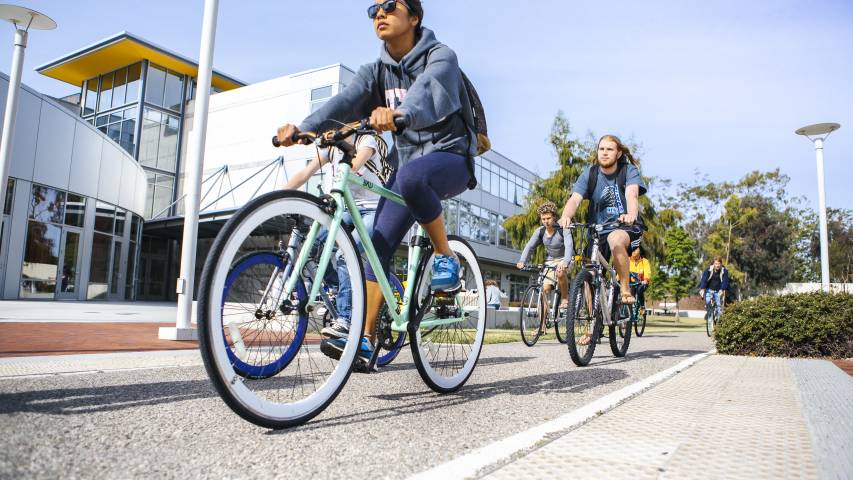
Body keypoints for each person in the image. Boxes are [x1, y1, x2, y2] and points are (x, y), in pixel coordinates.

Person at [276, 0, 478, 363]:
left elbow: (427, 91)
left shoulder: (441, 56)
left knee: (413, 175)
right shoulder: (375, 72)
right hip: (410, 167)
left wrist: (400, 114)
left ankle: (446, 257)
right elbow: (345, 101)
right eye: (374, 10)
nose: (379, 14)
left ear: (415, 17)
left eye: (390, 6)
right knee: (374, 244)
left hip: (451, 157)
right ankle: (365, 338)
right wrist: (306, 127)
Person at [284, 134, 386, 338]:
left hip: (373, 209)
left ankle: (346, 319)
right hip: (345, 208)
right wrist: (272, 199)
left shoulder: (366, 140)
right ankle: (343, 289)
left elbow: (353, 166)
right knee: (310, 249)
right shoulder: (332, 149)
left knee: (343, 256)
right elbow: (305, 173)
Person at [558, 135, 647, 344]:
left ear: (618, 153)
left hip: (625, 226)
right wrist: (566, 216)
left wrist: (630, 214)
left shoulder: (628, 171)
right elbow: (575, 199)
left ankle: (624, 289)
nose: (604, 152)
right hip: (596, 230)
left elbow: (632, 195)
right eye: (601, 149)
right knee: (588, 276)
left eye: (609, 149)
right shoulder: (590, 174)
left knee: (616, 240)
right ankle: (592, 326)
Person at [516, 201, 572, 308]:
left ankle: (565, 298)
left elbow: (569, 245)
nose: (546, 221)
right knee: (544, 290)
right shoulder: (540, 231)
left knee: (560, 273)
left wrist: (565, 262)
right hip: (551, 260)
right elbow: (529, 246)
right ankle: (543, 324)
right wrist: (522, 261)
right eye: (543, 219)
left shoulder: (563, 228)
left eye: (548, 218)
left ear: (554, 217)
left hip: (565, 258)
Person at [629, 246, 651, 312]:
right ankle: (629, 313)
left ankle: (642, 306)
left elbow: (647, 271)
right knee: (630, 294)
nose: (634, 256)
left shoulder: (645, 261)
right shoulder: (628, 260)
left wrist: (646, 280)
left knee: (639, 290)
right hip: (631, 283)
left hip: (641, 282)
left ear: (639, 253)